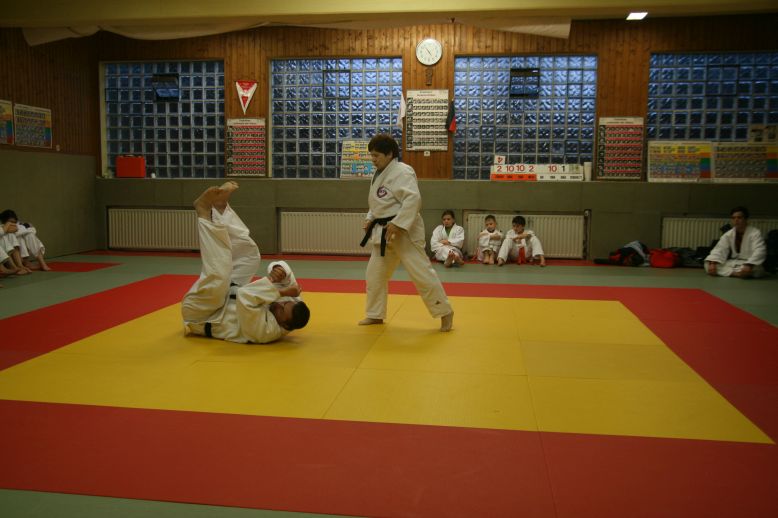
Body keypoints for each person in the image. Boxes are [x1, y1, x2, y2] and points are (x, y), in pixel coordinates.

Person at [182, 182, 310, 344]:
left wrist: (280, 290)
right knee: (250, 256)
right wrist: (280, 269)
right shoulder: (293, 305)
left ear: (285, 325)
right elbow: (289, 281)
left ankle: (204, 213)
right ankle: (220, 209)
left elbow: (245, 296)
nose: (281, 304)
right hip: (224, 297)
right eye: (286, 302)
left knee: (220, 274)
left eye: (282, 309)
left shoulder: (265, 332)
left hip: (202, 312)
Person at [359, 134, 454, 332]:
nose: (373, 159)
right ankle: (375, 314)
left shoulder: (402, 171)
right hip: (384, 231)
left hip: (405, 231)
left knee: (421, 273)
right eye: (371, 155)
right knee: (374, 275)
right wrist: (370, 218)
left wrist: (399, 223)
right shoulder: (379, 173)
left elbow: (413, 199)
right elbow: (378, 203)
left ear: (389, 154)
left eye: (376, 155)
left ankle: (445, 312)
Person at [704, 206, 766, 278]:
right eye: (733, 218)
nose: (736, 220)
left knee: (757, 270)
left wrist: (749, 264)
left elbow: (760, 251)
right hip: (734, 262)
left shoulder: (755, 233)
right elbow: (719, 249)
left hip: (748, 263)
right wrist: (713, 263)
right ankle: (737, 274)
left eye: (739, 218)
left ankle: (733, 272)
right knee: (707, 265)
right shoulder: (729, 234)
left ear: (746, 219)